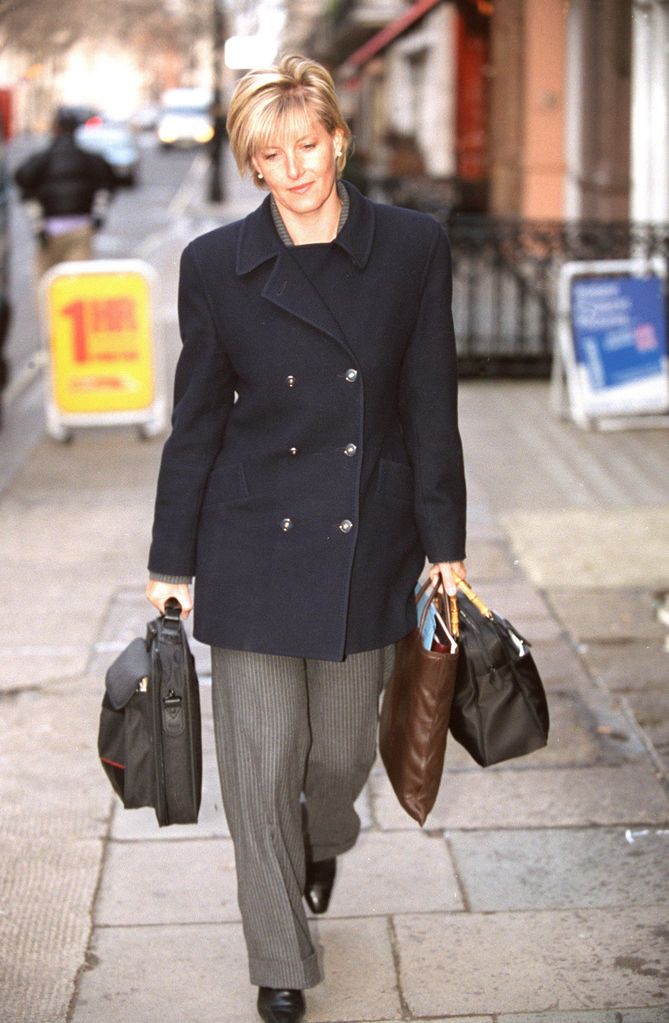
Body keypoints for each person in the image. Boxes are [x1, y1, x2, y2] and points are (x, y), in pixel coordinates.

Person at [146, 54, 467, 1023]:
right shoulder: (215, 267)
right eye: (270, 153)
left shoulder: (412, 249)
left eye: (307, 144)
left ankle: (323, 836)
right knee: (256, 770)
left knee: (336, 762)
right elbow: (196, 421)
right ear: (250, 163)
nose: (294, 168)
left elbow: (429, 405)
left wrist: (445, 542)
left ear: (339, 137)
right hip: (248, 540)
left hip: (364, 535)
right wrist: (172, 564)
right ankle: (279, 960)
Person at [14, 108, 116, 277]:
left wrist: (37, 223)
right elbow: (107, 185)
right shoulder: (90, 160)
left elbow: (22, 180)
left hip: (48, 232)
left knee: (47, 287)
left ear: (55, 129)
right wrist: (98, 217)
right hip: (81, 230)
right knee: (75, 285)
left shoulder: (42, 160)